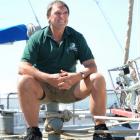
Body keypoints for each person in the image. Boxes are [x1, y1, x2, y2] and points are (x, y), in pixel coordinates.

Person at [17, 0, 114, 140]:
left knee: (97, 78)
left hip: (71, 88)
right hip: (44, 90)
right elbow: (22, 67)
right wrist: (48, 78)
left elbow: (92, 67)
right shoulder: (37, 38)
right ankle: (33, 133)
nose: (62, 16)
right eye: (57, 13)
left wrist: (76, 76)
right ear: (48, 17)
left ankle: (100, 131)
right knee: (23, 80)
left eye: (65, 13)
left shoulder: (77, 37)